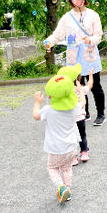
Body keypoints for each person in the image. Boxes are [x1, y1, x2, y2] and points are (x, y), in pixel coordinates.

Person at [44, 0, 106, 126]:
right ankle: (85, 111)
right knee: (78, 85)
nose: (76, 0)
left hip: (89, 52)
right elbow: (58, 34)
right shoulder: (67, 17)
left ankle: (101, 113)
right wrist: (49, 42)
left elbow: (98, 35)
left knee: (95, 85)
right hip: (74, 55)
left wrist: (90, 39)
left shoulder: (93, 15)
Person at [33, 74, 85, 203]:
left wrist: (37, 102)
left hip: (56, 148)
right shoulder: (73, 109)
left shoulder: (48, 110)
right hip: (72, 147)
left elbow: (36, 116)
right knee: (67, 168)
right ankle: (68, 190)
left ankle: (60, 187)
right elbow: (83, 103)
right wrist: (79, 90)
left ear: (50, 96)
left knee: (52, 168)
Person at [57, 64, 93, 165]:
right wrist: (90, 75)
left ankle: (73, 157)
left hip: (67, 120)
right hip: (80, 117)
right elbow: (89, 86)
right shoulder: (79, 88)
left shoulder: (62, 91)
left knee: (70, 138)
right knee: (82, 136)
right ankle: (84, 152)